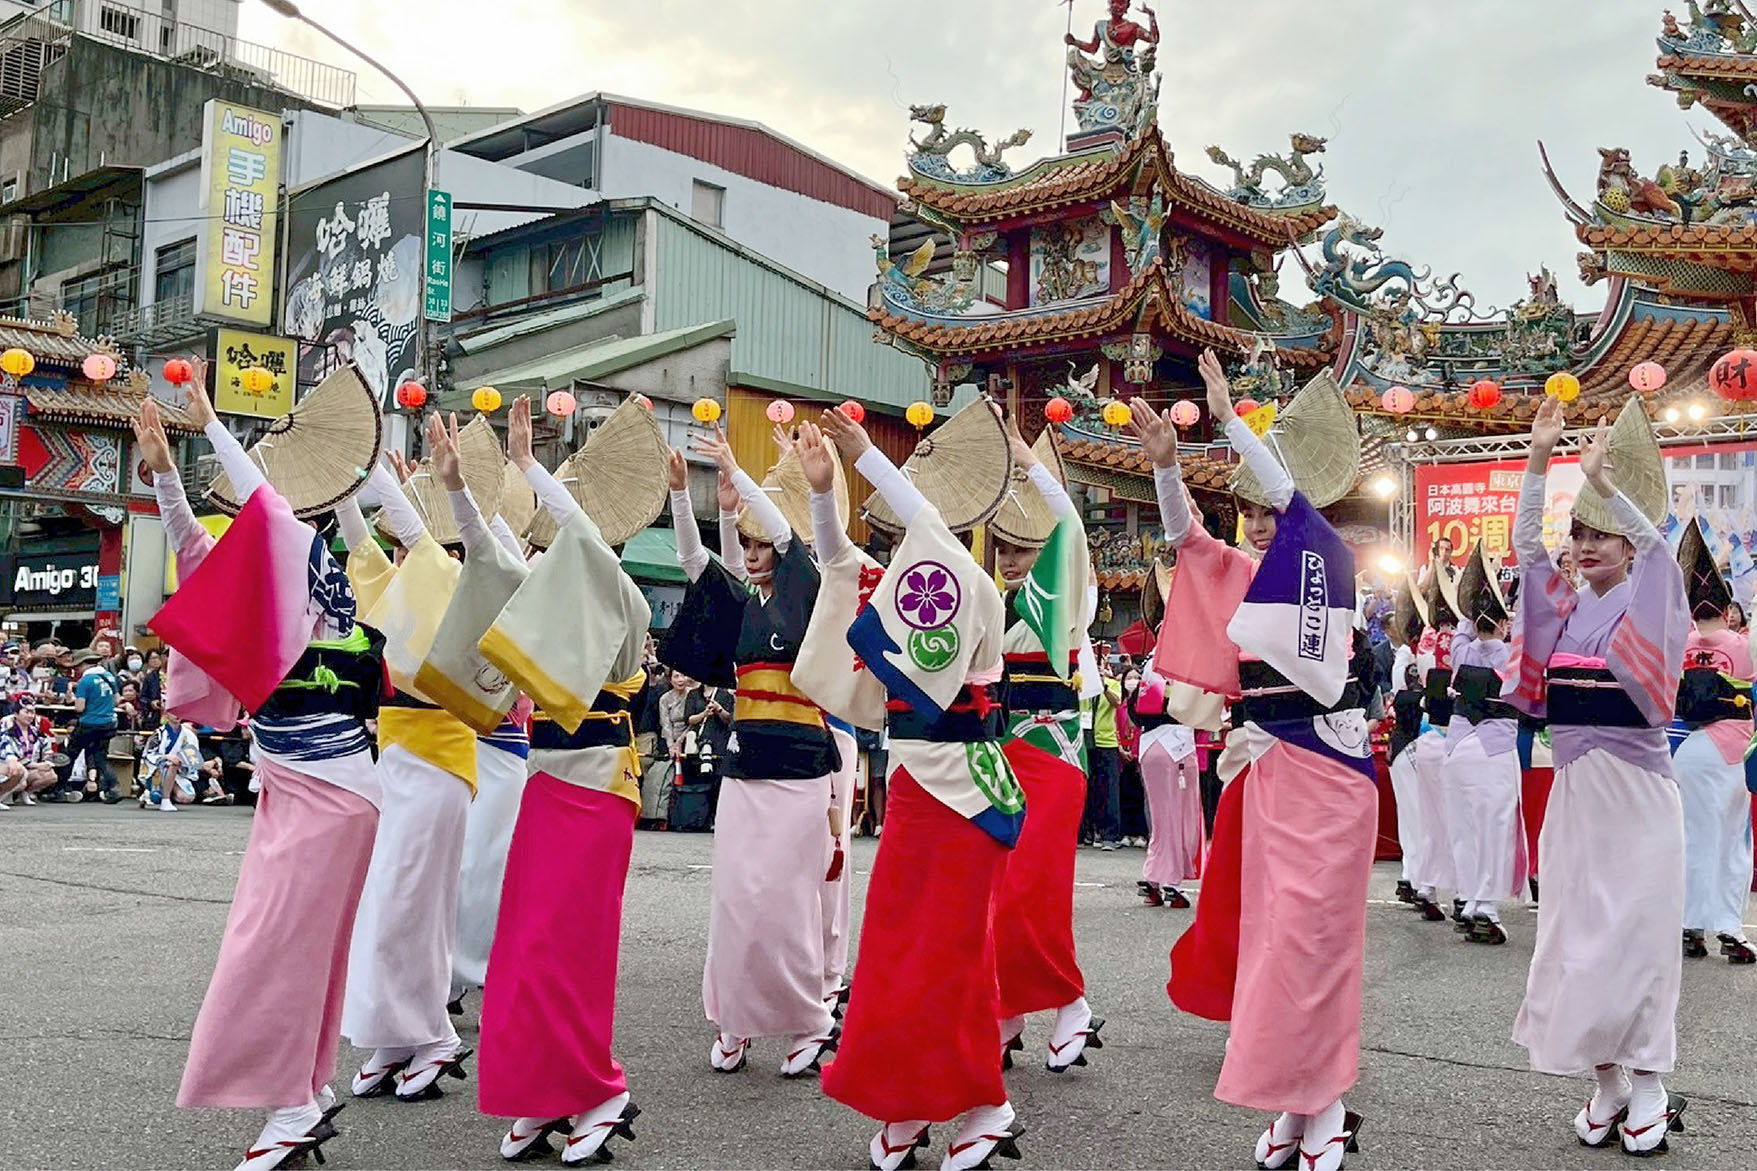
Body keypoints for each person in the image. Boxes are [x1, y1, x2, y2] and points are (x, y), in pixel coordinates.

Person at [144, 366, 387, 1171]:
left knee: (272, 944)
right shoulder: (302, 568)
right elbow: (197, 546)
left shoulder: (307, 554)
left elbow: (259, 512)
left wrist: (212, 425)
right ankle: (304, 1090)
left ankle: (288, 1104)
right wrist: (170, 479)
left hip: (326, 787)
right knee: (303, 943)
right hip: (323, 783)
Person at [1139, 351, 1373, 1171]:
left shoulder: (1328, 567)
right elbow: (1183, 540)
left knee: (1313, 942)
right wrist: (1171, 469)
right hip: (1267, 767)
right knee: (1271, 942)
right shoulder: (1241, 574)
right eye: (1248, 512)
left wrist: (1232, 417)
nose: (1260, 522)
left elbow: (1290, 499)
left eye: (1268, 510)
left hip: (1331, 771)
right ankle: (1295, 1100)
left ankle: (1325, 1103)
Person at [798, 404, 1026, 1171]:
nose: (902, 519)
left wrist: (867, 455)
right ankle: (906, 1097)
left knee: (951, 955)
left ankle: (985, 1101)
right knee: (899, 952)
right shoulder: (909, 580)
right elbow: (837, 570)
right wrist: (825, 492)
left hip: (964, 789)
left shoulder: (968, 583)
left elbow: (926, 539)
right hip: (916, 786)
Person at [1504, 397, 1690, 1155]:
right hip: (1578, 798)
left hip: (1640, 803)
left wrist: (1605, 486)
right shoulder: (1564, 608)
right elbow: (1524, 549)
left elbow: (1655, 549)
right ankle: (1607, 1076)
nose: (1582, 547)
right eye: (1577, 533)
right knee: (1575, 939)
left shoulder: (1651, 597)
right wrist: (1538, 460)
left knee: (1637, 942)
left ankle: (1648, 1077)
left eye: (1596, 535)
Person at [477, 395, 652, 1164]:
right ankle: (544, 1091)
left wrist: (524, 464)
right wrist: (457, 488)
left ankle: (600, 1089)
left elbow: (578, 535)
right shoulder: (556, 579)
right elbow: (493, 559)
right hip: (549, 784)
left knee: (568, 951)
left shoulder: (620, 589)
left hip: (594, 787)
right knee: (524, 949)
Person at [660, 425, 841, 1080]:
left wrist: (736, 471)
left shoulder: (806, 588)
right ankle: (735, 1019)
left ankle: (809, 1021)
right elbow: (692, 563)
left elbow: (792, 537)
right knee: (735, 902)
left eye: (763, 544)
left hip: (799, 772)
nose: (756, 552)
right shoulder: (742, 606)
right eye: (748, 545)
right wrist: (687, 497)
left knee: (786, 906)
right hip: (743, 770)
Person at [334, 449, 479, 1104]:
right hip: (394, 761)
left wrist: (367, 467)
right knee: (389, 903)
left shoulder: (447, 574)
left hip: (441, 761)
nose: (394, 532)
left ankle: (435, 1035)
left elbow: (413, 533)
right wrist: (336, 478)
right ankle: (396, 1032)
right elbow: (355, 531)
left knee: (410, 903)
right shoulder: (391, 580)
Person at [986, 418, 1106, 1074]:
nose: (1010, 559)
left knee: (1035, 888)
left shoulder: (1071, 600)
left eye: (1022, 549)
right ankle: (1005, 1012)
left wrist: (1024, 461)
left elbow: (1071, 526)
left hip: (1058, 758)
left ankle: (1069, 1003)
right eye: (1002, 547)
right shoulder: (995, 605)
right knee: (1000, 891)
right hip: (1004, 758)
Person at [1672, 519, 1756, 964]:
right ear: (1727, 609)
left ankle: (1689, 926)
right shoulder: (1743, 646)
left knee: (1691, 838)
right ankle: (1728, 927)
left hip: (1685, 752)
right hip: (1729, 751)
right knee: (1733, 843)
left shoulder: (1682, 644)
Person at [1440, 542, 1525, 944]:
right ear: (1504, 622)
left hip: (1457, 746)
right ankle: (1484, 907)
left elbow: (1461, 626)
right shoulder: (1512, 655)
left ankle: (1467, 898)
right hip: (1494, 747)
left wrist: (1469, 605)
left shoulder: (1460, 652)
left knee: (1464, 828)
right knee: (1494, 828)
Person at [65, 649, 121, 803]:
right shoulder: (109, 677)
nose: (76, 670)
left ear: (84, 664)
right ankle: (114, 786)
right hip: (108, 723)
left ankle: (60, 788)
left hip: (89, 723)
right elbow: (116, 700)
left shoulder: (86, 681)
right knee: (100, 757)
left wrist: (74, 699)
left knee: (70, 754)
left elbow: (79, 708)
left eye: (77, 666)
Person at [1084, 656, 1124, 849]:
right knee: (1086, 789)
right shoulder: (1080, 681)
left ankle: (1110, 835)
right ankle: (1085, 833)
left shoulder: (1112, 684)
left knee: (1108, 790)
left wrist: (1102, 686)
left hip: (1106, 742)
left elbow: (1117, 703)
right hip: (1084, 740)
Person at [139, 713, 218, 810]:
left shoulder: (189, 735)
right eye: (173, 712)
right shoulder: (159, 733)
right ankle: (164, 799)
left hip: (179, 770)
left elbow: (193, 757)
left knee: (186, 798)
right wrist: (166, 757)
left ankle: (158, 794)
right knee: (172, 764)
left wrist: (205, 767)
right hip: (159, 769)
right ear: (167, 715)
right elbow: (149, 754)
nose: (177, 715)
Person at [0, 699, 56, 807]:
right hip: (8, 767)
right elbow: (10, 755)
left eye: (32, 712)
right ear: (16, 714)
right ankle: (2, 796)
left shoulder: (37, 732)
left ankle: (26, 794)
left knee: (51, 775)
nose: (30, 716)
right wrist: (36, 765)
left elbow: (47, 750)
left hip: (30, 768)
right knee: (19, 772)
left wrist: (47, 762)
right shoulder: (7, 732)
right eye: (26, 712)